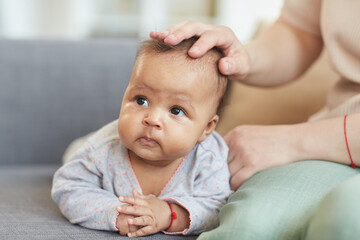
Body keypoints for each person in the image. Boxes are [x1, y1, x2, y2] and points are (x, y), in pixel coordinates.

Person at [150, 1, 360, 239]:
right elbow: (301, 30)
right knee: (246, 227)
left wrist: (294, 141)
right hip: (333, 147)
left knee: (345, 217)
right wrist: (244, 57)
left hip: (326, 142)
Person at [51, 37, 232, 237]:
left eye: (176, 110)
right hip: (87, 146)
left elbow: (218, 206)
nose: (152, 119)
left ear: (206, 128)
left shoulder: (209, 158)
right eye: (141, 100)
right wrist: (117, 214)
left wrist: (171, 214)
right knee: (75, 152)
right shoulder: (102, 149)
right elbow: (68, 187)